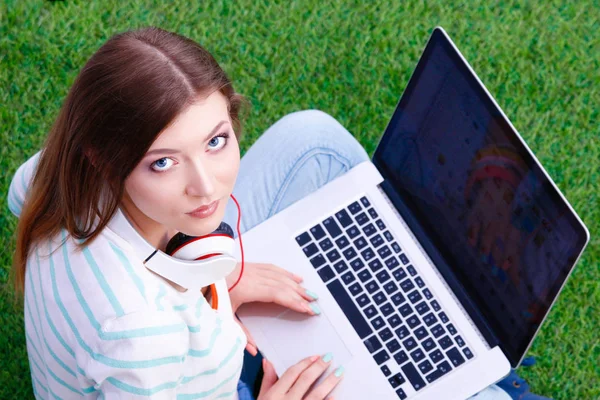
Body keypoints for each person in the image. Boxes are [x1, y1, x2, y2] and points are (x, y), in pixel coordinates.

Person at [7, 26, 546, 399]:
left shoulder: (54, 179)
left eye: (216, 141)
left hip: (183, 320)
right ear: (104, 156)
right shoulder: (142, 334)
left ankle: (436, 306)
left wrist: (215, 283)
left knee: (312, 141)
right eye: (164, 162)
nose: (206, 186)